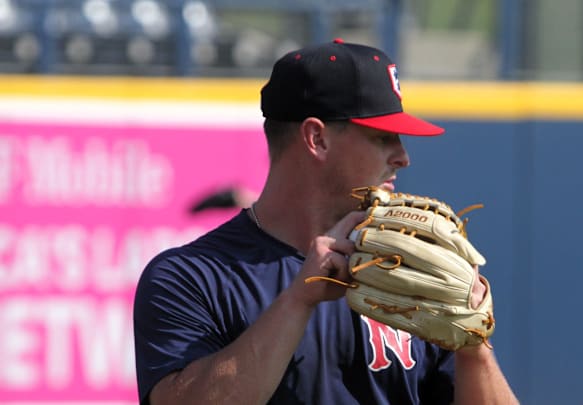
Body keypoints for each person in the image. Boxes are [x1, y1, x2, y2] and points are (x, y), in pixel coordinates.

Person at [133, 38, 518, 405]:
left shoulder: (408, 267)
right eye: (384, 136)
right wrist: (299, 300)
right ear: (316, 138)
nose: (403, 156)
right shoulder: (190, 277)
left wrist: (474, 347)